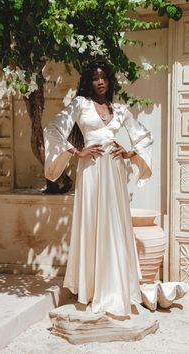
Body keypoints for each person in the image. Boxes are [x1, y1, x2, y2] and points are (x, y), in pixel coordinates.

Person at [43, 59, 155, 316]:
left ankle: (116, 287)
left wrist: (130, 153)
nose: (100, 81)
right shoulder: (80, 105)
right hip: (91, 172)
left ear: (110, 80)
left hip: (114, 172)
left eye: (104, 77)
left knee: (114, 223)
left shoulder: (120, 109)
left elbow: (144, 136)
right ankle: (92, 288)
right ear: (88, 82)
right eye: (95, 78)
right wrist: (76, 152)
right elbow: (53, 129)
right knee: (93, 222)